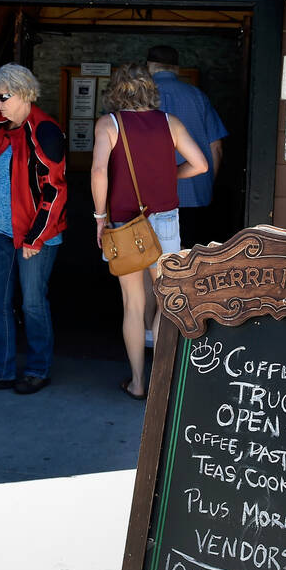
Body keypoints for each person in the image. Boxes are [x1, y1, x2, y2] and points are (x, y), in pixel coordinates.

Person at [91, 63, 208, 399]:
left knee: (132, 304)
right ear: (150, 90)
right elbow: (200, 164)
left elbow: (99, 171)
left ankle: (137, 383)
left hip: (126, 221)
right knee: (165, 302)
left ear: (115, 91)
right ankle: (160, 383)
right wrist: (172, 177)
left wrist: (100, 217)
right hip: (167, 220)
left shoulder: (109, 124)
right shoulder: (170, 123)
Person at [0, 64, 68, 395]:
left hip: (36, 234)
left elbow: (54, 190)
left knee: (32, 303)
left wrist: (36, 237)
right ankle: (0, 370)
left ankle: (38, 369)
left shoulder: (46, 131)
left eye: (2, 97)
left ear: (23, 94)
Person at [147, 44, 228, 249]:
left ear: (149, 66)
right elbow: (216, 146)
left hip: (149, 194)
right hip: (194, 192)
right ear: (177, 68)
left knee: (148, 257)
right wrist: (207, 182)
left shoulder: (141, 98)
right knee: (190, 258)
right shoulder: (197, 96)